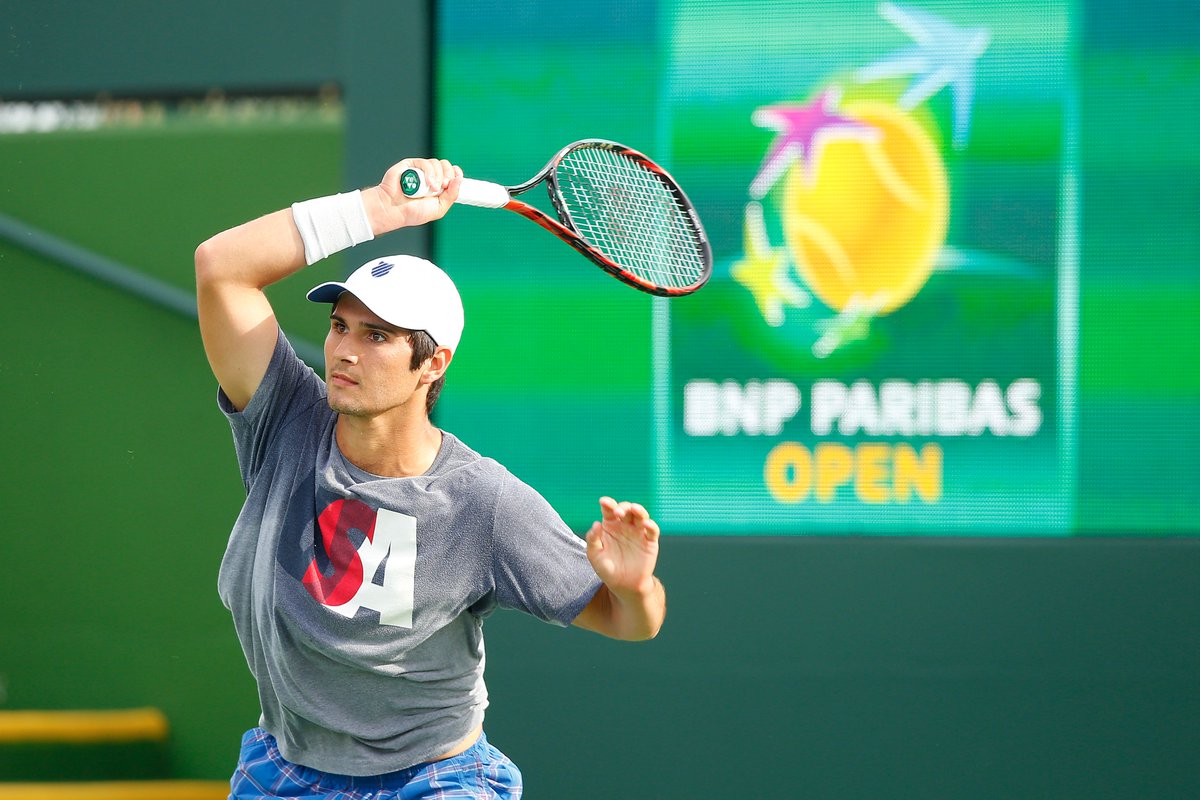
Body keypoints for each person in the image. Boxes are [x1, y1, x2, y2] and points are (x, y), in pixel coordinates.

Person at [194, 157, 666, 799]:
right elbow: (221, 267)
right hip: (285, 768)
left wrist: (634, 587)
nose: (344, 351)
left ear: (433, 363)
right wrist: (379, 209)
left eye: (378, 336)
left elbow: (631, 621)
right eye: (339, 327)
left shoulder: (484, 500)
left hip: (435, 781)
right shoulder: (284, 417)